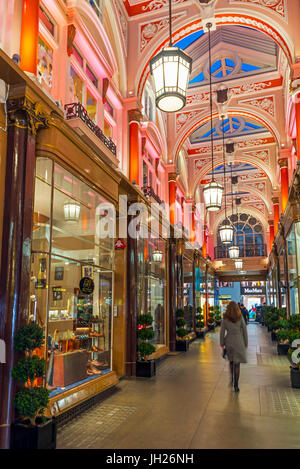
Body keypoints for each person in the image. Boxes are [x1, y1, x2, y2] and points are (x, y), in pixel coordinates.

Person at [220, 301, 248, 393]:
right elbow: (244, 330)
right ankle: (236, 384)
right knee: (237, 364)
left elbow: (222, 332)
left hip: (229, 341)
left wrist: (222, 344)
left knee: (231, 361)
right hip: (239, 341)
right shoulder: (240, 317)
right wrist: (246, 342)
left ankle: (231, 378)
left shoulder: (225, 318)